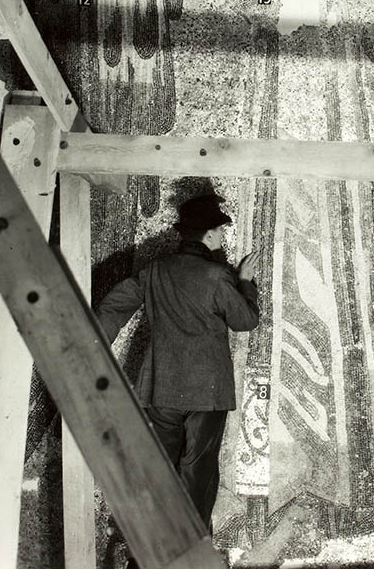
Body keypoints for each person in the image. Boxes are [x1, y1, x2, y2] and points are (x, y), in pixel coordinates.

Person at [94, 191, 260, 562]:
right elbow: (245, 321)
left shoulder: (154, 271)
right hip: (207, 393)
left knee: (163, 475)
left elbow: (114, 306)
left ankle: (151, 555)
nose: (222, 237)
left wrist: (92, 349)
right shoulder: (218, 276)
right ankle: (192, 558)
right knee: (197, 476)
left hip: (162, 390)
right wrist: (245, 280)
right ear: (211, 235)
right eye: (220, 230)